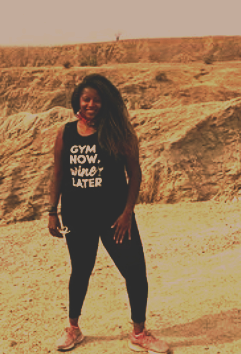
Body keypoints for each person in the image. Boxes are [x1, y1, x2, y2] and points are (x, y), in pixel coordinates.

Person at [47, 74, 169, 353]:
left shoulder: (118, 132)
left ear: (106, 102)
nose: (91, 104)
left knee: (135, 272)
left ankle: (139, 333)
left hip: (115, 217)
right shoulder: (65, 132)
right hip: (77, 216)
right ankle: (73, 329)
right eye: (86, 99)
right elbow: (58, 173)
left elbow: (135, 174)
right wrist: (53, 211)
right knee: (80, 271)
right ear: (78, 100)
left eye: (97, 100)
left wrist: (127, 212)